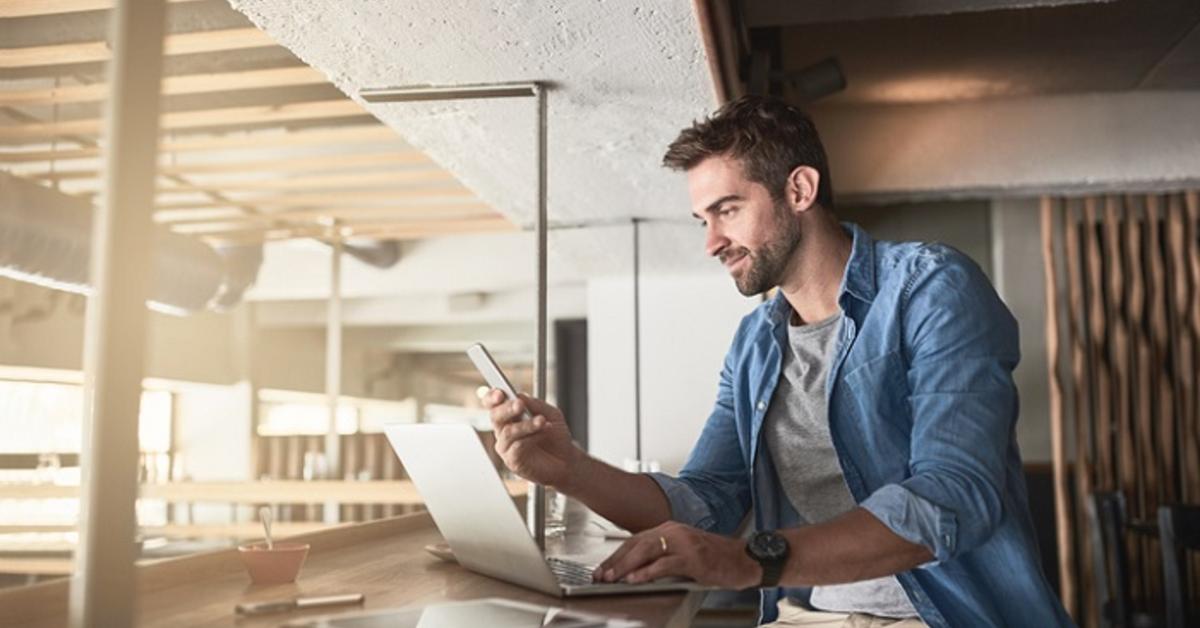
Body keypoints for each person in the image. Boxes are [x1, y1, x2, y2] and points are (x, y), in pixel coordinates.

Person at [484, 95, 1073, 627]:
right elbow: (706, 503)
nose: (711, 242)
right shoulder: (754, 345)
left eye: (728, 210)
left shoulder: (931, 289)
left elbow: (953, 494)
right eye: (704, 219)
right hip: (803, 616)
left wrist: (749, 561)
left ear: (799, 190)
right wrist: (570, 469)